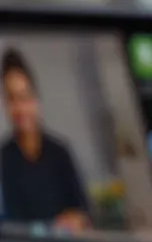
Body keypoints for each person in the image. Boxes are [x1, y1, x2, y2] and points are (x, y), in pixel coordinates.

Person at [0, 48, 91, 232]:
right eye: (11, 99)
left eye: (24, 97)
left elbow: (82, 211)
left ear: (35, 99)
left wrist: (74, 221)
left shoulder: (60, 152)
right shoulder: (4, 159)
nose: (19, 108)